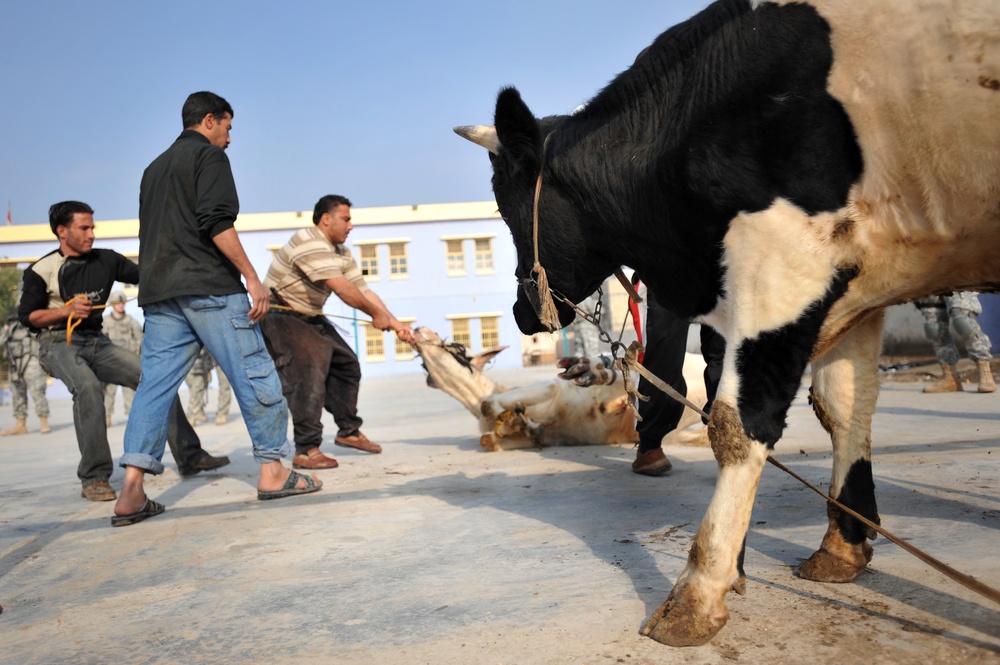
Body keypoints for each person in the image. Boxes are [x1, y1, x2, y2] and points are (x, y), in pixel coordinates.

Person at [114, 91, 321, 527]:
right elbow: (216, 222)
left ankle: (131, 490)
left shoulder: (153, 169)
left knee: (154, 388)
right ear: (210, 121)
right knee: (254, 372)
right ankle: (273, 471)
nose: (229, 138)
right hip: (208, 286)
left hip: (160, 293)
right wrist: (250, 276)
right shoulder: (209, 158)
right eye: (228, 127)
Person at [18, 201, 229, 502]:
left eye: (93, 227)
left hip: (98, 341)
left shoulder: (107, 260)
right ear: (62, 231)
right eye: (84, 228)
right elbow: (29, 317)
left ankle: (190, 456)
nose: (92, 234)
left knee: (154, 378)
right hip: (57, 342)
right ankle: (94, 477)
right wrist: (65, 312)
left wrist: (184, 260)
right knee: (88, 387)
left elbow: (147, 274)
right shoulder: (41, 270)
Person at [259, 194, 414, 470]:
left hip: (307, 316)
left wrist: (395, 322)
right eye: (346, 219)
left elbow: (364, 291)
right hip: (280, 314)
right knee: (309, 369)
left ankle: (348, 431)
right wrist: (377, 315)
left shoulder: (341, 253)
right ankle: (306, 449)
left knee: (347, 363)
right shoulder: (308, 241)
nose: (351, 225)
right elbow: (342, 289)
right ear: (326, 219)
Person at [558, 279, 724, 476]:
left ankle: (650, 448)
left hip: (666, 267)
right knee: (724, 354)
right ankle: (730, 441)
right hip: (717, 263)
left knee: (660, 357)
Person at [915, 292, 996, 393]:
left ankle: (985, 373)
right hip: (930, 283)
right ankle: (950, 378)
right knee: (934, 329)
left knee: (963, 322)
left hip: (955, 280)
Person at [1, 309, 50, 436]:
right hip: (14, 364)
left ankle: (43, 421)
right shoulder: (10, 327)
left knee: (37, 392)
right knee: (17, 393)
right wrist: (7, 326)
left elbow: (43, 338)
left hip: (31, 362)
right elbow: (1, 340)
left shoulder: (32, 324)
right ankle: (20, 424)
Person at [101, 291, 143, 427]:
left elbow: (140, 340)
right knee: (109, 392)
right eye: (117, 303)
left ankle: (132, 418)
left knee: (130, 391)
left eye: (122, 303)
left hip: (127, 363)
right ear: (112, 305)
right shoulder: (105, 322)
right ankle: (107, 416)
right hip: (111, 364)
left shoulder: (131, 321)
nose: (120, 306)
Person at [184, 348, 232, 426]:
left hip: (220, 350)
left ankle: (222, 412)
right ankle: (195, 411)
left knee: (224, 383)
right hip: (202, 351)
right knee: (197, 383)